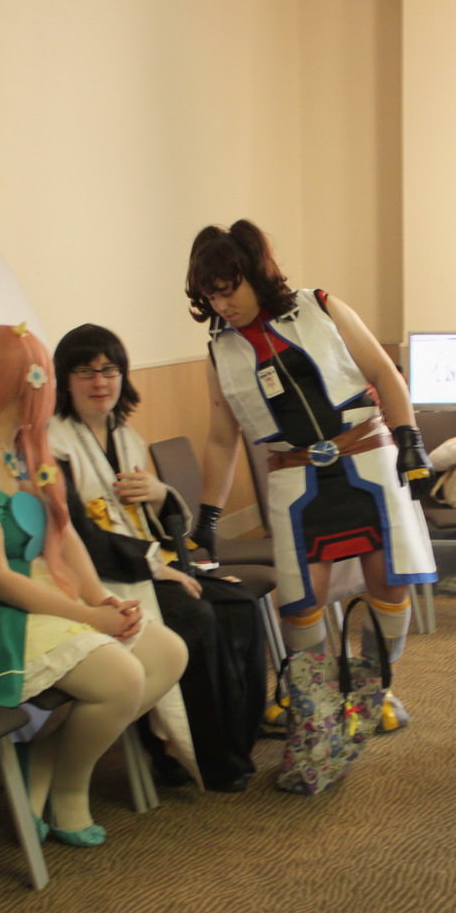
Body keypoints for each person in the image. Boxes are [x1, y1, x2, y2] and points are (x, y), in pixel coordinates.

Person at [0, 323, 188, 846]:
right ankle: (69, 791)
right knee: (120, 678)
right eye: (43, 375)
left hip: (21, 595)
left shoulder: (24, 446)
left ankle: (43, 758)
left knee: (167, 654)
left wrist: (101, 598)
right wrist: (90, 617)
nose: (50, 388)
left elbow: (61, 535)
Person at [185, 220, 434, 728]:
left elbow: (383, 372)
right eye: (211, 296)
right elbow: (221, 438)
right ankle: (313, 697)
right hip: (296, 476)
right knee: (301, 599)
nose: (222, 305)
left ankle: (374, 689)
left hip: (365, 457)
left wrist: (410, 438)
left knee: (390, 582)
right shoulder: (219, 350)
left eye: (229, 290)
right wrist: (208, 516)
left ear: (255, 273)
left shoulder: (319, 306)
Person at [48, 322, 265, 791]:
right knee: (195, 616)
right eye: (85, 372)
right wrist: (156, 566)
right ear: (64, 380)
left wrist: (160, 492)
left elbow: (159, 517)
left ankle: (237, 735)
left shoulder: (125, 435)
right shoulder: (53, 445)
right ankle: (188, 754)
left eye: (109, 370)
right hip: (100, 578)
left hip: (145, 561)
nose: (100, 382)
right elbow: (75, 535)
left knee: (241, 606)